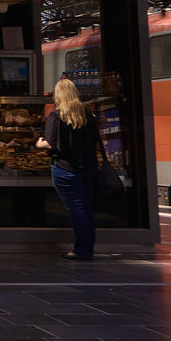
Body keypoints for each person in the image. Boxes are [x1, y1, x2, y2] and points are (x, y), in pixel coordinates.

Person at [37, 77, 100, 260]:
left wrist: (39, 143)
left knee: (77, 209)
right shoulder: (87, 113)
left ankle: (82, 250)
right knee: (87, 209)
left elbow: (49, 143)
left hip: (65, 169)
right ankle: (87, 247)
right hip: (89, 167)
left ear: (58, 95)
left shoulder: (56, 116)